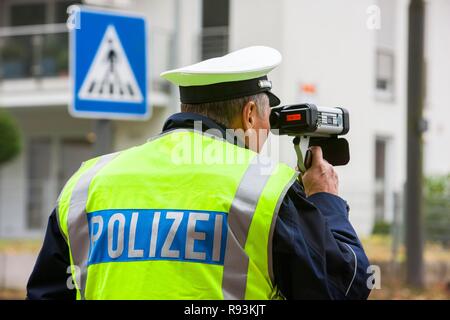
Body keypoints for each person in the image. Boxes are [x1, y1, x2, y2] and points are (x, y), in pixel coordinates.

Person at [27, 46, 371, 300]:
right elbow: (343, 286)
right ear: (250, 115)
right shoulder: (265, 188)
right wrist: (325, 199)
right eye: (268, 118)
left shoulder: (87, 182)